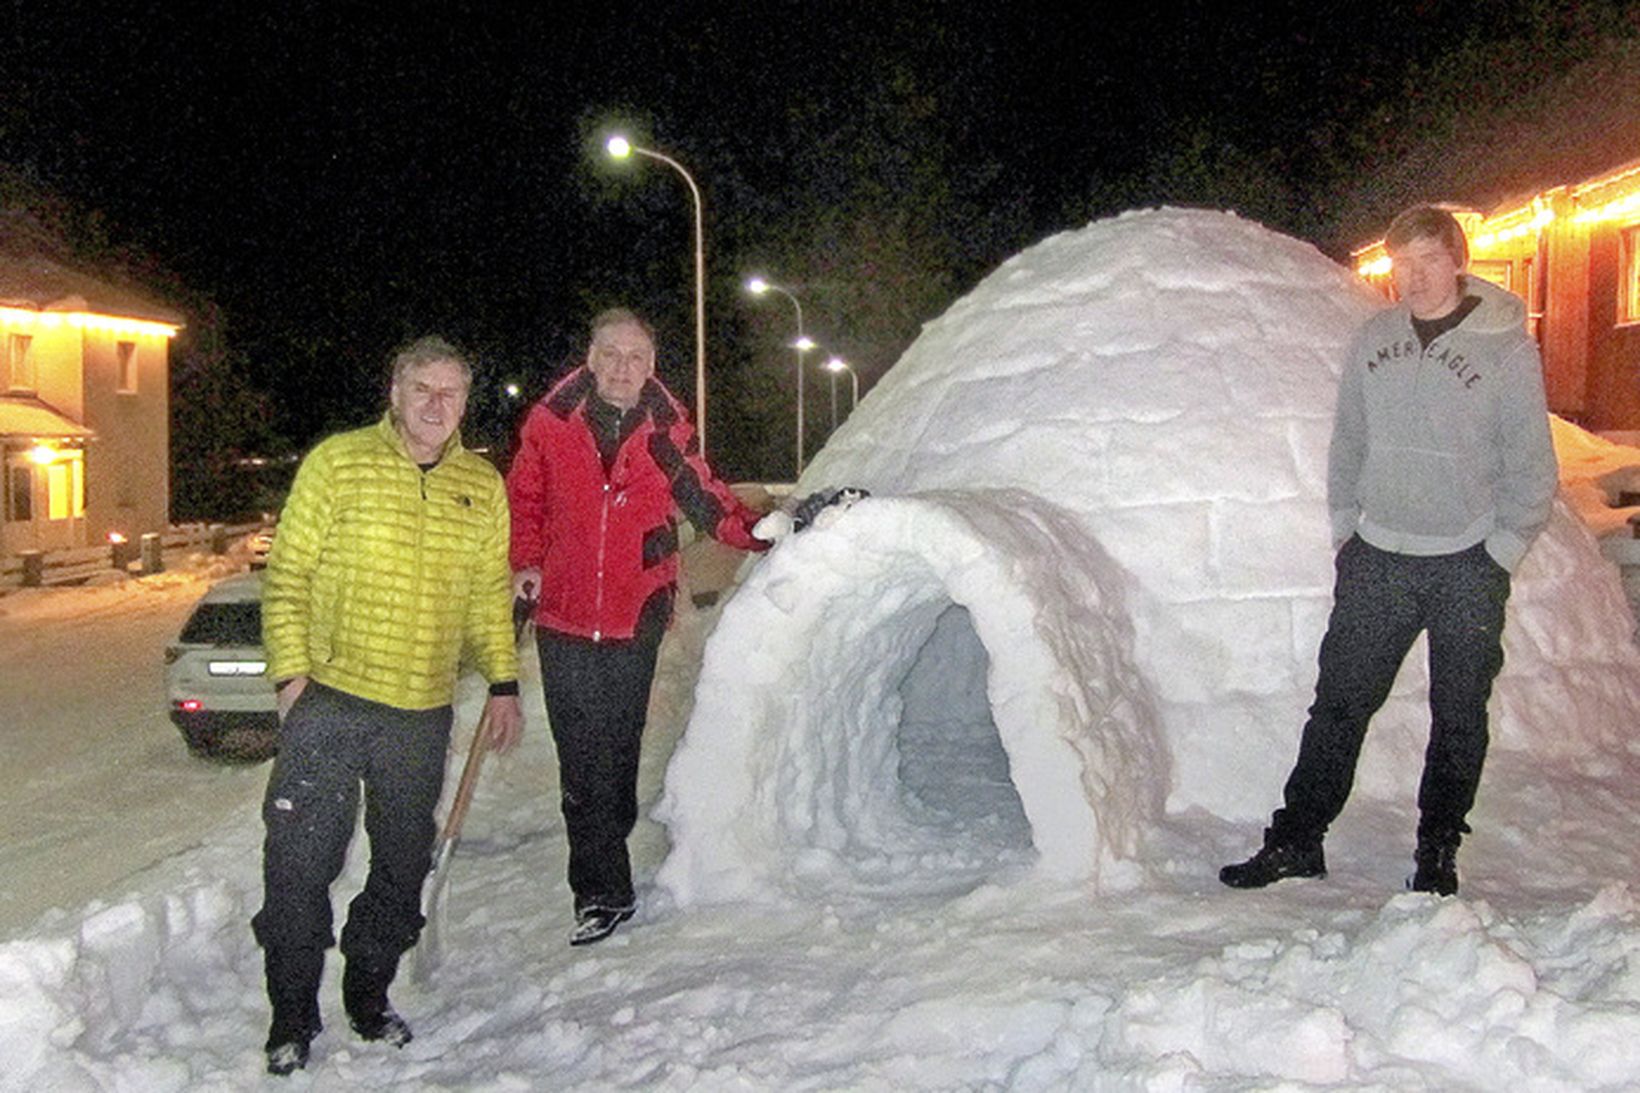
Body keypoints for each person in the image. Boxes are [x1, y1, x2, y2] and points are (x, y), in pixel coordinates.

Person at [1220, 205, 1558, 897]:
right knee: (1338, 704)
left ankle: (1437, 845)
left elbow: (1533, 464)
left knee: (1458, 712)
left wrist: (1502, 550)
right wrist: (1347, 526)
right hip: (1379, 555)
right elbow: (1348, 440)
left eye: (1428, 259)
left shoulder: (1506, 349)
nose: (1413, 276)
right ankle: (1297, 838)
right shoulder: (1373, 338)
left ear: (1459, 260)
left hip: (1468, 560)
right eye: (1402, 263)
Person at [253, 336, 524, 1075]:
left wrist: (502, 681)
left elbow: (483, 598)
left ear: (466, 402)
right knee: (300, 864)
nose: (437, 406)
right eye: (422, 390)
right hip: (332, 702)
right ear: (396, 393)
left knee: (402, 865)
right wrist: (290, 677)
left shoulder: (479, 484)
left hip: (420, 710)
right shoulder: (339, 463)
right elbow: (289, 575)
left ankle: (368, 995)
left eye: (451, 393)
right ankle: (291, 1015)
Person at [507, 307, 769, 946]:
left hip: (635, 614)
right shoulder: (550, 425)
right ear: (591, 360)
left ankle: (609, 840)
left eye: (636, 358)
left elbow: (708, 500)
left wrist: (761, 532)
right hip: (564, 616)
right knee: (580, 760)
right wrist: (524, 563)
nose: (623, 368)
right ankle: (599, 892)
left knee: (618, 751)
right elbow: (525, 502)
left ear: (651, 368)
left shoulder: (665, 430)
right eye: (612, 355)